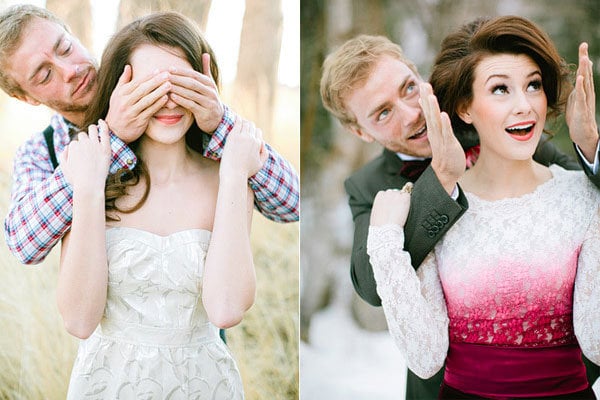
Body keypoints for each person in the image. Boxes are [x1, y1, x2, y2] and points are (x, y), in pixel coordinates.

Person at [320, 34, 600, 398]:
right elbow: (373, 288)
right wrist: (440, 179)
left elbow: (584, 194)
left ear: (418, 75)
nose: (412, 114)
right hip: (446, 387)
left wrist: (591, 146)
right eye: (383, 113)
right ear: (359, 131)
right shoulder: (368, 186)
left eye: (408, 88)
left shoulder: (492, 122)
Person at [57, 12, 261, 399]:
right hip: (107, 383)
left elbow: (226, 309)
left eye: (182, 82)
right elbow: (79, 319)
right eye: (148, 86)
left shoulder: (230, 181)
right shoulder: (91, 179)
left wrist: (234, 176)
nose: (167, 100)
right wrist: (87, 191)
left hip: (203, 384)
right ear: (118, 93)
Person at [0, 4, 299, 266]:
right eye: (44, 74)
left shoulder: (172, 103)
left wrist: (220, 123)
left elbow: (292, 204)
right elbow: (23, 245)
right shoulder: (41, 150)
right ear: (26, 97)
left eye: (65, 47)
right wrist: (112, 138)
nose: (70, 70)